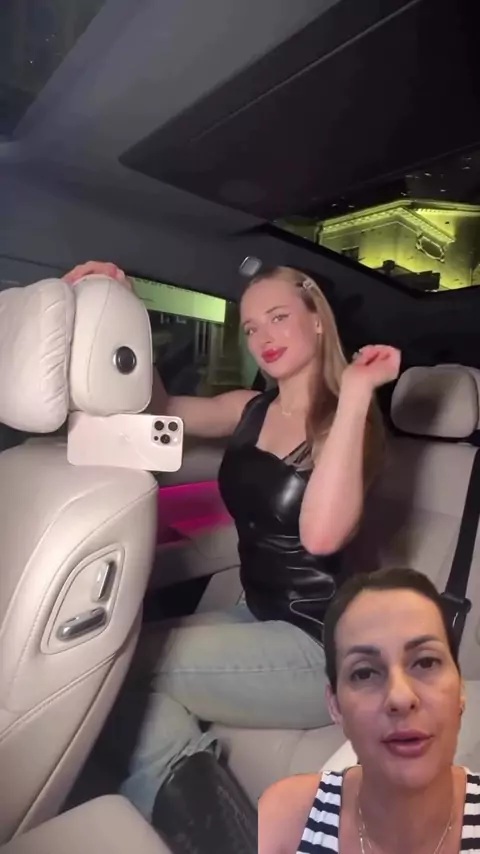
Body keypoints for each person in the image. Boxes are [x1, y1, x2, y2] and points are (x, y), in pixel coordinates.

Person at [64, 261, 400, 853]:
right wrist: (128, 308)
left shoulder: (349, 424)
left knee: (119, 668)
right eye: (250, 327)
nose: (263, 336)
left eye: (278, 317)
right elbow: (160, 408)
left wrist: (353, 394)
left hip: (325, 645)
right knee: (110, 653)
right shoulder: (250, 408)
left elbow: (321, 536)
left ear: (317, 321)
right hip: (260, 613)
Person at [259, 567, 480, 854]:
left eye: (426, 662)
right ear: (335, 706)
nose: (400, 697)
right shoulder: (283, 821)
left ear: (460, 688)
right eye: (364, 673)